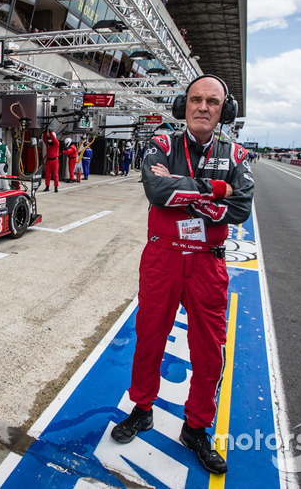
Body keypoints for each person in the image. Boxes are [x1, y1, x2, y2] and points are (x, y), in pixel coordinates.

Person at [110, 75, 253, 475]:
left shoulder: (238, 154)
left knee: (209, 349)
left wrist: (188, 193)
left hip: (208, 262)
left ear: (225, 110)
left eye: (212, 101)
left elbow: (240, 208)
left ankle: (196, 427)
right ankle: (141, 409)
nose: (203, 107)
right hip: (163, 258)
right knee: (150, 336)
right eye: (195, 100)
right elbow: (157, 190)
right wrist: (215, 190)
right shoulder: (162, 144)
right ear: (182, 105)